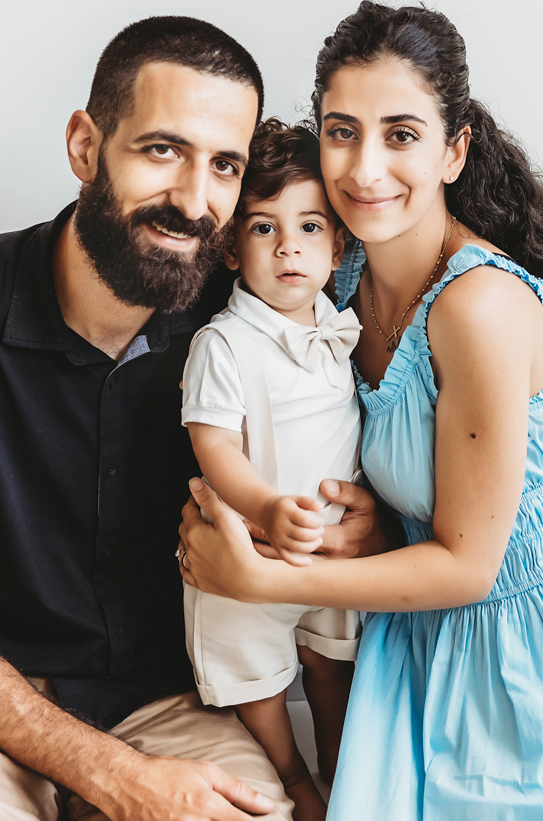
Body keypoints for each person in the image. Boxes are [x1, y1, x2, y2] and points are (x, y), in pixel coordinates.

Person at [179, 1, 543, 819]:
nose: (364, 168)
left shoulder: (476, 309)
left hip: (523, 650)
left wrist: (259, 576)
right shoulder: (337, 283)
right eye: (341, 131)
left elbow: (469, 564)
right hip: (408, 635)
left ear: (453, 151)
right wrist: (368, 523)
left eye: (401, 135)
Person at [0, 14, 391, 821]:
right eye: (162, 150)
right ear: (86, 146)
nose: (194, 200)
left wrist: (356, 527)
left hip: (175, 706)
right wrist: (102, 769)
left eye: (223, 165)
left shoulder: (249, 317)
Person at [181, 119, 362, 821]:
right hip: (248, 551)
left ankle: (344, 773)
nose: (289, 246)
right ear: (231, 246)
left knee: (332, 664)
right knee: (255, 677)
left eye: (311, 227)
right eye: (263, 229)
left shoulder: (341, 326)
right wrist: (261, 506)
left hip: (332, 549)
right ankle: (290, 778)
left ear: (339, 242)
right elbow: (214, 447)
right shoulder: (224, 344)